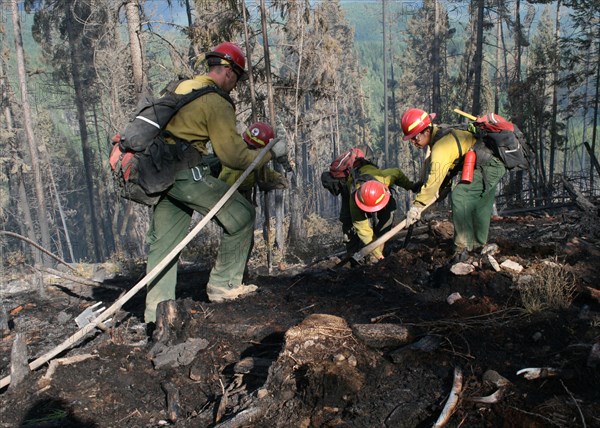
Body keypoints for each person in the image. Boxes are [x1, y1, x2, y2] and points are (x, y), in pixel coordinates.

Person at [144, 41, 287, 323]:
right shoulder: (215, 101)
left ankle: (155, 315)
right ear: (229, 72)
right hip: (186, 173)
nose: (234, 85)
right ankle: (224, 285)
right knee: (243, 216)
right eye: (236, 78)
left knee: (165, 245)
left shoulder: (183, 87)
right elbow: (233, 156)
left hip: (162, 173)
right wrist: (270, 153)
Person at [400, 108, 506, 259]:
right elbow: (446, 174)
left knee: (460, 196)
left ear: (427, 131)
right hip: (491, 162)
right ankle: (477, 245)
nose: (413, 142)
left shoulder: (440, 148)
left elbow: (434, 181)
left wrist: (417, 206)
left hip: (489, 164)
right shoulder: (441, 136)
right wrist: (441, 191)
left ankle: (462, 248)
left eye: (415, 137)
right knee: (481, 202)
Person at [347, 163, 417, 263]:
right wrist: (378, 256)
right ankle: (352, 255)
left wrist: (412, 186)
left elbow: (397, 173)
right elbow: (363, 230)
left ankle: (380, 243)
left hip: (377, 184)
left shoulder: (386, 178)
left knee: (389, 211)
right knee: (348, 221)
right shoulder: (354, 198)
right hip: (351, 184)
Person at [219, 121, 288, 202]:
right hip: (227, 199)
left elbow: (257, 170)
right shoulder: (238, 162)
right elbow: (250, 168)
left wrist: (276, 178)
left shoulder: (247, 156)